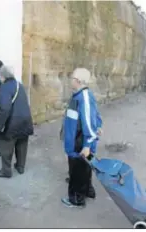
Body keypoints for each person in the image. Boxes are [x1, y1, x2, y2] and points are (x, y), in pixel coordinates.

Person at [61, 68, 102, 208]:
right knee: (85, 167)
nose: (70, 80)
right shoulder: (80, 95)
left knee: (77, 169)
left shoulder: (83, 97)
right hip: (77, 139)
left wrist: (87, 144)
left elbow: (89, 121)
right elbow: (95, 114)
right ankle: (88, 191)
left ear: (77, 81)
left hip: (79, 142)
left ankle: (76, 199)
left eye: (71, 77)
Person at [0, 65, 34, 178]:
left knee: (6, 146)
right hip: (25, 120)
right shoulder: (19, 85)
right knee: (22, 143)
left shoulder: (5, 88)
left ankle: (6, 171)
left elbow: (4, 109)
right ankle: (20, 167)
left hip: (12, 123)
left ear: (3, 76)